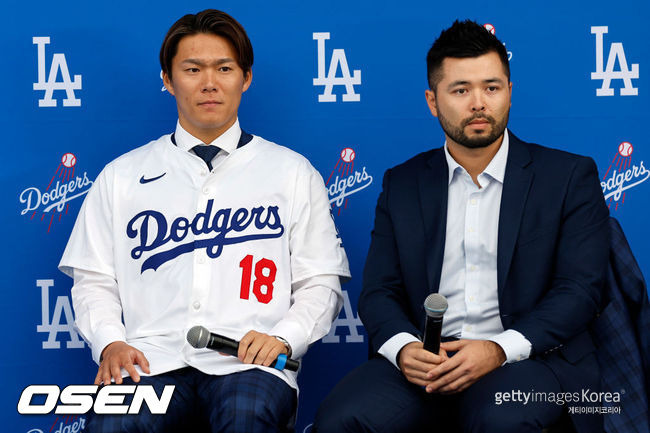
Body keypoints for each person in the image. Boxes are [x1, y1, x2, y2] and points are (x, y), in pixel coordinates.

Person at [59, 9, 350, 433]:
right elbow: (94, 280)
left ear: (245, 78)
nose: (209, 83)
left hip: (248, 361)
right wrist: (110, 341)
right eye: (192, 69)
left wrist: (284, 338)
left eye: (224, 68)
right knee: (117, 424)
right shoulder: (121, 176)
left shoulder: (291, 172)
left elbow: (319, 281)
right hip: (149, 357)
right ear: (167, 79)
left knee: (245, 417)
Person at [315, 20, 608, 433]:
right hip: (426, 361)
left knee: (501, 421)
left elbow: (580, 291)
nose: (478, 103)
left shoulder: (568, 175)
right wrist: (404, 350)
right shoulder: (403, 183)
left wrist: (497, 350)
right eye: (460, 90)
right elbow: (380, 290)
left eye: (492, 87)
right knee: (341, 420)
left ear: (509, 91)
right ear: (432, 101)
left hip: (530, 358)